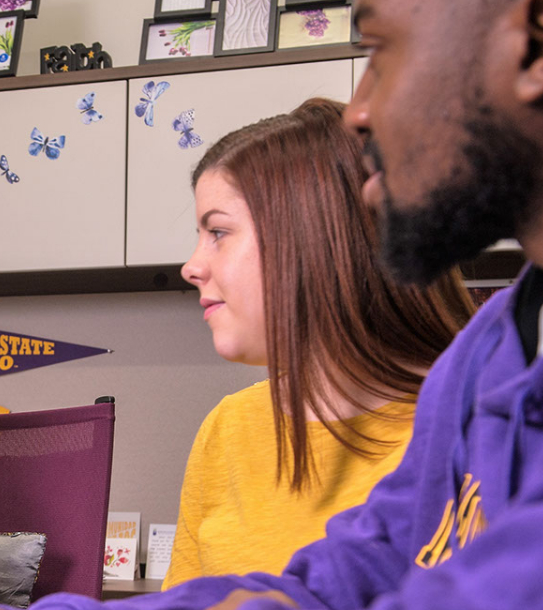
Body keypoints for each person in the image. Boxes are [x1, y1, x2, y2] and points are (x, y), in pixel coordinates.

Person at [0, 0, 543, 607]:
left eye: (382, 50)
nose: (359, 113)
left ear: (542, 35)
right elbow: (336, 577)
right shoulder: (492, 349)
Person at [164, 98, 474, 586]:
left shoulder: (472, 429)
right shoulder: (227, 429)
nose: (192, 266)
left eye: (218, 232)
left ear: (310, 240)